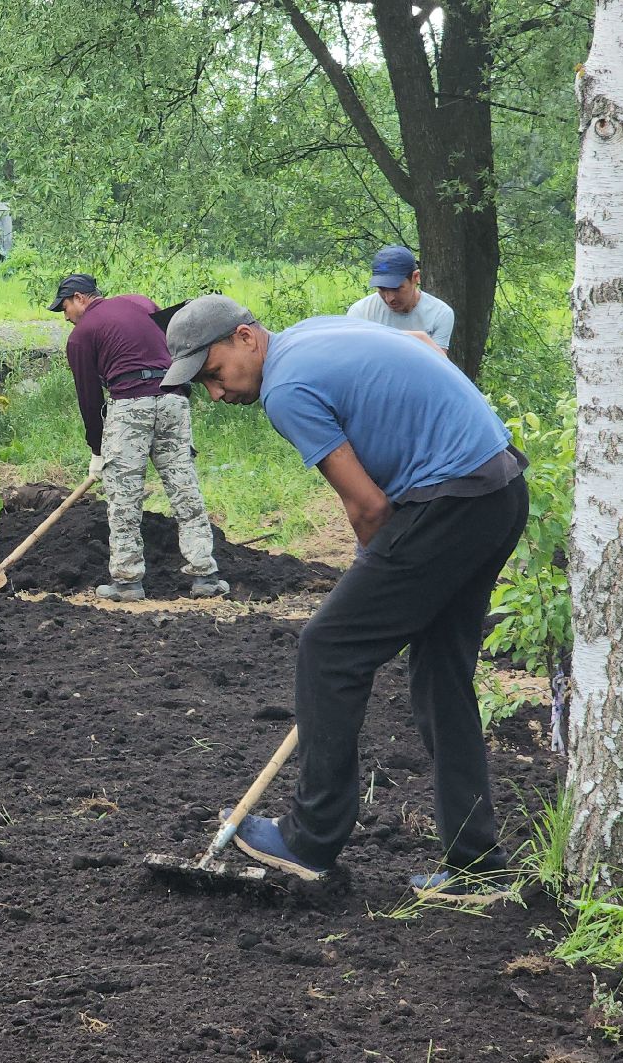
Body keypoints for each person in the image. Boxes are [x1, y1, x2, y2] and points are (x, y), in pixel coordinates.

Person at [158, 296, 528, 905]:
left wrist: (374, 573)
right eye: (203, 387)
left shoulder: (286, 389)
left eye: (214, 375)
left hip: (451, 502)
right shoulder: (314, 333)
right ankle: (477, 864)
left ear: (246, 338)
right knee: (441, 675)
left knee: (329, 648)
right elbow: (421, 347)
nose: (217, 395)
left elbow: (368, 508)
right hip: (499, 485)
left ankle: (309, 839)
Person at [50, 273, 225, 602]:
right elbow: (174, 341)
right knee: (184, 486)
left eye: (64, 308)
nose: (66, 316)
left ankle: (127, 581)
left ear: (79, 298)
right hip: (174, 398)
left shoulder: (81, 335)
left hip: (130, 406)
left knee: (124, 497)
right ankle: (206, 575)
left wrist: (97, 449)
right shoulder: (141, 302)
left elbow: (89, 398)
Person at [345, 245, 454, 353]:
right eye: (382, 289)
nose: (389, 298)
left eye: (396, 289)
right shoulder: (361, 312)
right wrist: (420, 339)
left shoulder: (440, 313)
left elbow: (439, 364)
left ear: (416, 277)